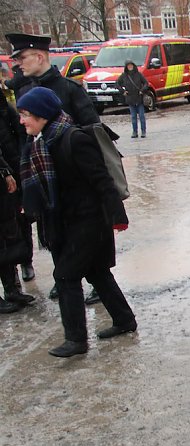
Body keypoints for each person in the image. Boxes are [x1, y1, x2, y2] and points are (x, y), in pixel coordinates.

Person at [17, 87, 136, 357]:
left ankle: (76, 340)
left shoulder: (74, 139)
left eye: (26, 115)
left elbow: (102, 180)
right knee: (97, 273)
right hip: (64, 223)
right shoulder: (39, 143)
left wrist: (117, 216)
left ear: (42, 114)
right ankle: (125, 321)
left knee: (65, 275)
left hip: (89, 221)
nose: (22, 120)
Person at [6, 33, 103, 304]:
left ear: (39, 56)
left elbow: (94, 132)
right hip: (45, 183)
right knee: (54, 234)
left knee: (86, 236)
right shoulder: (24, 92)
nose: (18, 65)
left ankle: (97, 282)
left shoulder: (70, 90)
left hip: (74, 182)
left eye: (22, 58)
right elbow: (23, 137)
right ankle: (66, 279)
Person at [0, 97, 35, 311]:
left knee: (7, 232)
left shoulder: (4, 107)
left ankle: (12, 289)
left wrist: (7, 170)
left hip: (6, 174)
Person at [116, 60, 149, 138]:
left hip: (139, 98)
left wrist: (142, 90)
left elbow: (146, 83)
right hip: (130, 99)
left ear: (134, 66)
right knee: (133, 117)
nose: (130, 67)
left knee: (141, 116)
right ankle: (135, 132)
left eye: (131, 65)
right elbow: (117, 84)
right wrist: (123, 91)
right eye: (128, 66)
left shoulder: (139, 74)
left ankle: (143, 131)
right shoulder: (124, 76)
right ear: (126, 67)